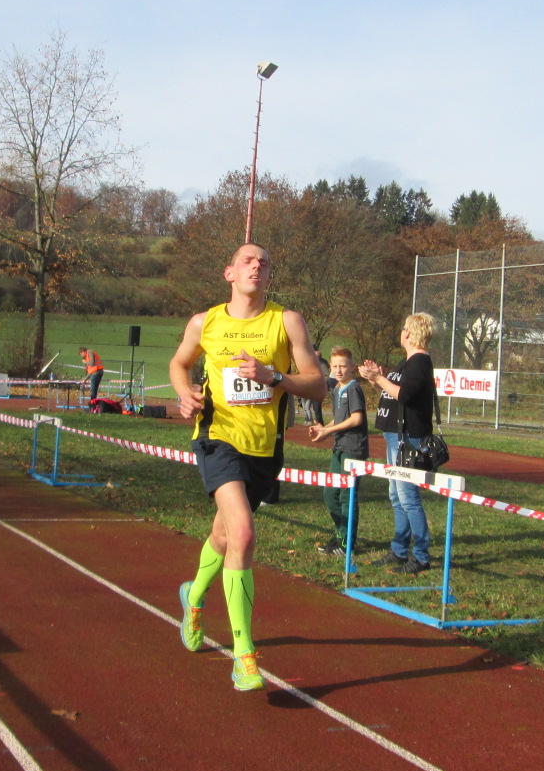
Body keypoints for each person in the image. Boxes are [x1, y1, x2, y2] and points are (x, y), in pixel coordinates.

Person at [169, 241, 326, 692]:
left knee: (223, 534)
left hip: (264, 447)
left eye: (264, 263)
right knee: (242, 534)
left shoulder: (287, 321)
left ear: (269, 276)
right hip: (217, 438)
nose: (256, 267)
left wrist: (273, 376)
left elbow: (317, 386)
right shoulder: (204, 322)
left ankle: (194, 597)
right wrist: (184, 393)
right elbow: (179, 363)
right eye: (248, 261)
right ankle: (244, 654)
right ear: (230, 273)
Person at [359, 312, 437, 574]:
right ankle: (399, 550)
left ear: (411, 333)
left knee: (408, 497)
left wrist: (380, 379)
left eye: (405, 328)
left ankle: (421, 556)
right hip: (396, 436)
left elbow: (406, 396)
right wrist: (375, 378)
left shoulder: (419, 362)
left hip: (408, 438)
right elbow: (391, 393)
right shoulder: (407, 362)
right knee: (396, 495)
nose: (401, 331)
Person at [308, 347, 367, 556]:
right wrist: (324, 430)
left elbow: (356, 418)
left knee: (346, 495)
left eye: (343, 366)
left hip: (353, 449)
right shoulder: (336, 390)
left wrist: (329, 430)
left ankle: (347, 542)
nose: (339, 370)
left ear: (352, 367)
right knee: (330, 492)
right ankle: (340, 534)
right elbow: (340, 419)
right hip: (339, 447)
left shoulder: (353, 388)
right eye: (335, 367)